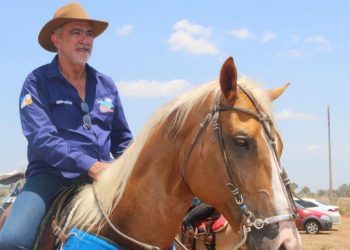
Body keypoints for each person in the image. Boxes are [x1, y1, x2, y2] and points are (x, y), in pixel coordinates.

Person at [0, 3, 133, 249]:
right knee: (11, 242)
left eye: (89, 34)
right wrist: (90, 166)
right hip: (51, 177)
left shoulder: (106, 84)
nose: (85, 40)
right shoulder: (36, 82)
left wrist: (137, 165)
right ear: (56, 39)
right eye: (76, 32)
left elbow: (122, 139)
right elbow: (43, 139)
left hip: (105, 177)